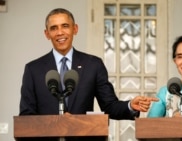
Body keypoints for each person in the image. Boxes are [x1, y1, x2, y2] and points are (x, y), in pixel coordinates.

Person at [19, 8, 158, 141]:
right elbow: (26, 117)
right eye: (54, 28)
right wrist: (56, 123)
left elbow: (109, 106)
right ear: (47, 34)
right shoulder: (33, 69)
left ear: (75, 29)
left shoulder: (93, 65)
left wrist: (130, 105)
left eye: (65, 26)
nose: (60, 32)